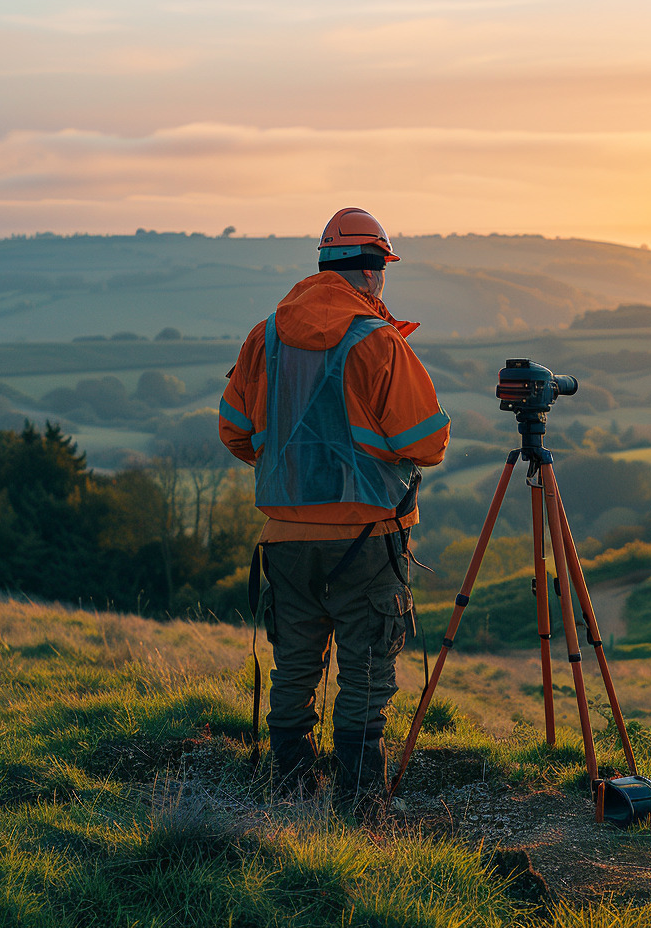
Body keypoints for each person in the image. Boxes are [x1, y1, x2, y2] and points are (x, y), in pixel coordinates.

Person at [219, 207, 450, 804]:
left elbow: (235, 431)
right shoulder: (378, 343)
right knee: (367, 668)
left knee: (293, 664)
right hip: (366, 541)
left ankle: (289, 786)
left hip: (284, 539)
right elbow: (426, 444)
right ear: (374, 274)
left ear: (323, 264)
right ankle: (358, 803)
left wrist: (297, 478)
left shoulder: (264, 336)